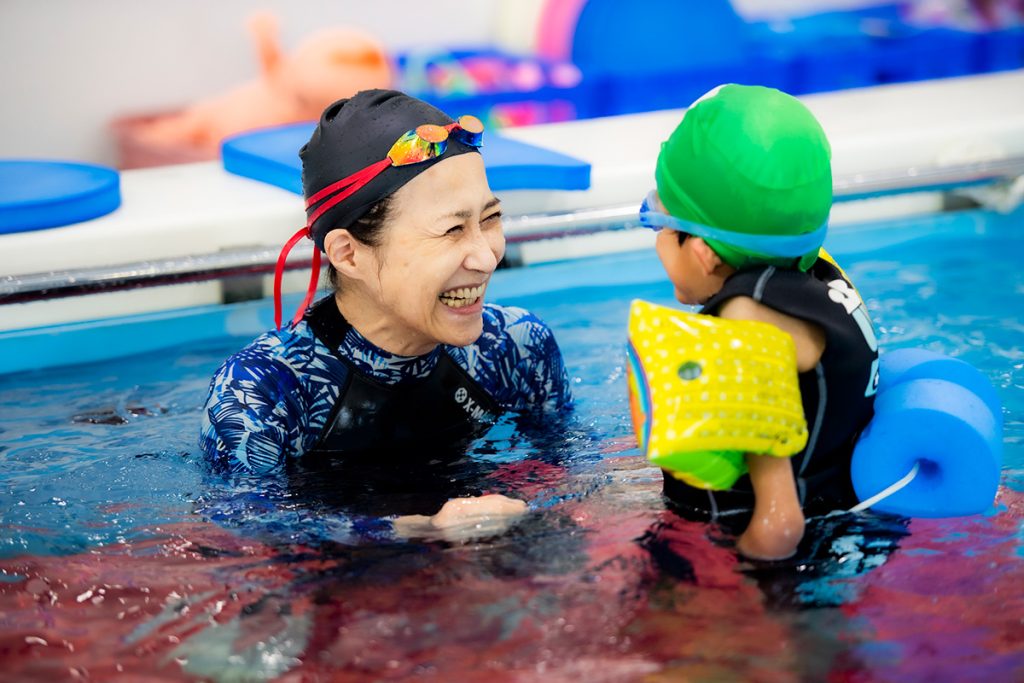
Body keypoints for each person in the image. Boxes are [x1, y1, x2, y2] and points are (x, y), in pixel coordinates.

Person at [199, 90, 573, 526]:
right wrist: (419, 532)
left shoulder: (517, 348)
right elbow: (247, 534)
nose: (487, 258)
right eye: (452, 229)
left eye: (489, 219)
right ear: (349, 254)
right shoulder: (264, 391)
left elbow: (569, 483)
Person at [638, 84, 880, 560]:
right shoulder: (818, 274)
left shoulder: (746, 327)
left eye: (660, 226)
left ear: (703, 252)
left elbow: (779, 524)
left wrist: (739, 595)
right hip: (849, 521)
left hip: (790, 556)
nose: (657, 242)